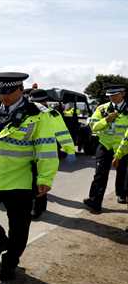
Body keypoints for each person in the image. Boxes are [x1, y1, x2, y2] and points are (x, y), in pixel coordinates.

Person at [0, 72, 59, 281]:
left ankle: (10, 261)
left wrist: (45, 178)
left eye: (8, 93)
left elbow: (46, 149)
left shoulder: (37, 114)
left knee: (18, 227)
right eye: (0, 92)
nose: (3, 97)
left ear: (20, 90)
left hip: (20, 182)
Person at [29, 89, 76, 219]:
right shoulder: (28, 112)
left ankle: (37, 208)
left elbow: (62, 133)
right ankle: (40, 206)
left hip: (45, 152)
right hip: (30, 152)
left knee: (39, 180)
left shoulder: (52, 114)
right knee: (35, 180)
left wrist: (69, 150)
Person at [84, 84, 128, 212]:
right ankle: (95, 201)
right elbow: (93, 126)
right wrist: (106, 120)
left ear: (123, 94)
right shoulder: (102, 108)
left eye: (115, 95)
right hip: (105, 146)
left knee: (123, 173)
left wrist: (120, 152)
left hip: (124, 147)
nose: (112, 98)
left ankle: (121, 194)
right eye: (110, 96)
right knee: (100, 174)